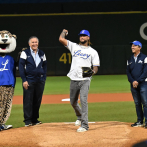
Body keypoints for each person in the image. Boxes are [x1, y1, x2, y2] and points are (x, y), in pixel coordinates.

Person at [59, 29, 100, 132]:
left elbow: (96, 67)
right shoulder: (74, 46)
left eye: (84, 35)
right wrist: (64, 32)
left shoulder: (93, 52)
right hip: (74, 79)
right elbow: (61, 39)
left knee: (83, 101)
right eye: (81, 35)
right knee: (73, 101)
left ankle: (85, 125)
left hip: (85, 80)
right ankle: (79, 116)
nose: (82, 37)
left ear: (88, 38)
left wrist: (92, 72)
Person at [19, 36, 47, 127]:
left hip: (40, 80)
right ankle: (27, 120)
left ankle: (34, 119)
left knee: (37, 100)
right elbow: (21, 67)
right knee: (28, 101)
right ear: (29, 44)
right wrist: (24, 80)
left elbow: (45, 66)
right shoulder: (25, 53)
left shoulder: (42, 53)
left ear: (38, 43)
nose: (34, 44)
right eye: (32, 42)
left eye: (36, 42)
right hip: (29, 80)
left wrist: (44, 78)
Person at [126, 40, 147, 128]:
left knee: (145, 103)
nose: (132, 47)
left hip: (143, 84)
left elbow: (145, 71)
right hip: (133, 85)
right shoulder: (129, 59)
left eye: (134, 46)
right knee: (137, 103)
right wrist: (132, 81)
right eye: (132, 46)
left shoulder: (145, 57)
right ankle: (139, 121)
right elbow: (128, 72)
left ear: (140, 47)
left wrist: (138, 81)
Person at [0, 30, 17, 131]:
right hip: (1, 84)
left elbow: (14, 71)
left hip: (9, 84)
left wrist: (13, 84)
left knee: (7, 105)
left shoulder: (10, 58)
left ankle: (2, 123)